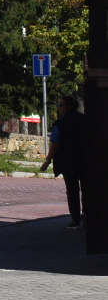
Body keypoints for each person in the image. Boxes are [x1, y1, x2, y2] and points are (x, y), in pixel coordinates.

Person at [39, 95, 86, 228]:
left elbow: (55, 143)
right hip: (85, 160)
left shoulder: (60, 123)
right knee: (87, 190)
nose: (58, 108)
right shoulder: (85, 120)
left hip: (68, 161)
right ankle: (88, 216)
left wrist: (47, 160)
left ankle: (76, 220)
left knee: (72, 191)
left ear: (67, 107)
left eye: (60, 105)